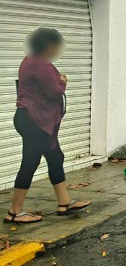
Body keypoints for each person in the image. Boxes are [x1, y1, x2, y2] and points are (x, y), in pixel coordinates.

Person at [4, 28, 91, 225]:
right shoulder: (40, 65)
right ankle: (14, 212)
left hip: (32, 119)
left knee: (55, 157)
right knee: (30, 162)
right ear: (49, 45)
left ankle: (64, 202)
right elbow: (54, 91)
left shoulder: (31, 61)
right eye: (56, 45)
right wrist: (63, 82)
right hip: (35, 121)